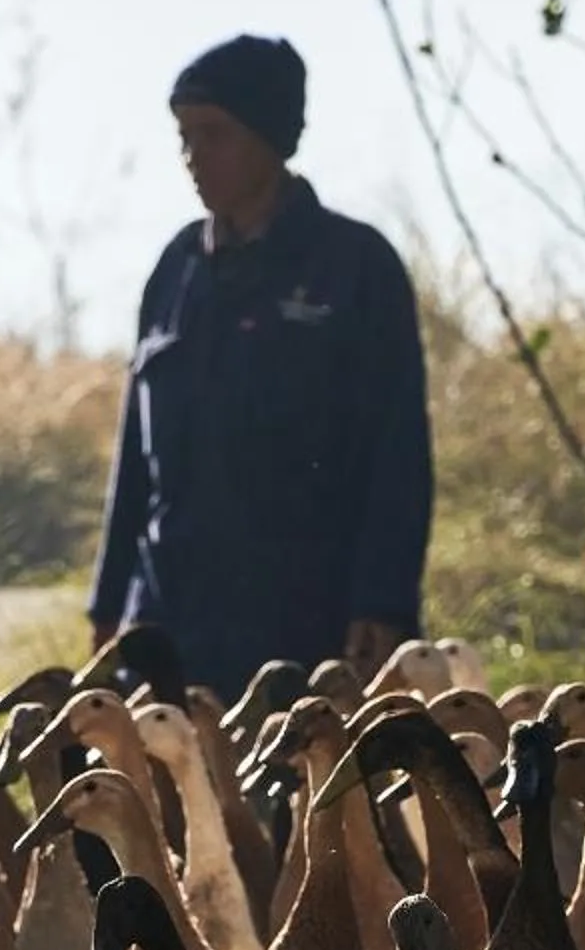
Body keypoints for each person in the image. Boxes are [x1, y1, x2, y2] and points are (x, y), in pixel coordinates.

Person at [86, 34, 434, 697]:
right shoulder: (175, 269)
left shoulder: (356, 268)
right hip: (169, 625)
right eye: (183, 136)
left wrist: (384, 602)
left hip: (306, 624)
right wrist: (108, 608)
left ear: (270, 139)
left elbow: (399, 456)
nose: (192, 156)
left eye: (213, 135)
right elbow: (134, 454)